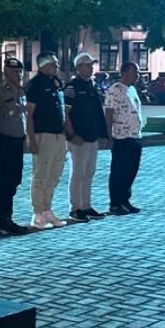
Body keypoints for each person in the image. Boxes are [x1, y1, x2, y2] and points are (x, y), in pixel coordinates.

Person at [0, 58, 30, 236]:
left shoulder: (21, 92)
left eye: (19, 72)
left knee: (13, 181)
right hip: (3, 143)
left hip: (16, 143)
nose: (17, 75)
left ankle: (8, 218)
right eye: (14, 72)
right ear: (5, 73)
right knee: (0, 183)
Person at [64, 52, 107, 222]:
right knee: (78, 173)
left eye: (91, 65)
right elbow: (65, 113)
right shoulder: (72, 87)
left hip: (91, 136)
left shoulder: (91, 85)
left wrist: (101, 134)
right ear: (79, 67)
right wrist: (72, 134)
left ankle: (86, 205)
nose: (91, 68)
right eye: (88, 65)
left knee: (89, 172)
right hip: (78, 138)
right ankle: (75, 208)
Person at [25, 51, 67, 229]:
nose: (57, 67)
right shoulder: (35, 85)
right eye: (54, 64)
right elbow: (29, 114)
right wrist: (31, 139)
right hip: (43, 134)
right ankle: (37, 213)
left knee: (54, 174)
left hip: (58, 135)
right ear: (44, 65)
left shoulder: (54, 83)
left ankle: (47, 209)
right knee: (41, 174)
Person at [104, 61, 143, 215]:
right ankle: (115, 203)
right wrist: (109, 137)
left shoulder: (132, 89)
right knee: (118, 171)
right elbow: (109, 114)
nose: (138, 75)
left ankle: (125, 200)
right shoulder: (115, 90)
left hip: (134, 136)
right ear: (124, 73)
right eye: (135, 72)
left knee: (131, 171)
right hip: (121, 137)